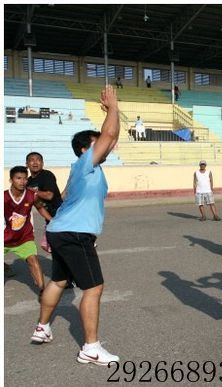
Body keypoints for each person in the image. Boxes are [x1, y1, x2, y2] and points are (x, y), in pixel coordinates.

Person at [30, 85, 121, 366]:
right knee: (93, 288)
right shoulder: (85, 163)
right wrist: (114, 108)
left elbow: (112, 136)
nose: (107, 145)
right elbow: (108, 135)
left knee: (58, 280)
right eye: (97, 143)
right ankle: (91, 348)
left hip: (60, 231)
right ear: (85, 149)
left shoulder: (85, 169)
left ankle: (42, 328)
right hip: (74, 234)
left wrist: (113, 113)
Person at [4, 166, 52, 299]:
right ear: (11, 180)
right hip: (4, 238)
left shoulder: (31, 195)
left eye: (25, 178)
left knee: (33, 260)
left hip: (24, 237)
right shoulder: (4, 197)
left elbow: (40, 208)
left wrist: (52, 220)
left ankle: (43, 291)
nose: (22, 181)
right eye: (18, 178)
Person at [26, 152, 63, 253]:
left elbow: (49, 195)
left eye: (38, 160)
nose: (35, 162)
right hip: (49, 216)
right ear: (27, 164)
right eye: (32, 160)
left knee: (63, 245)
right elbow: (37, 205)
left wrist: (31, 191)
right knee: (50, 246)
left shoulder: (46, 175)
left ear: (42, 163)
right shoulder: (28, 182)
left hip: (60, 213)